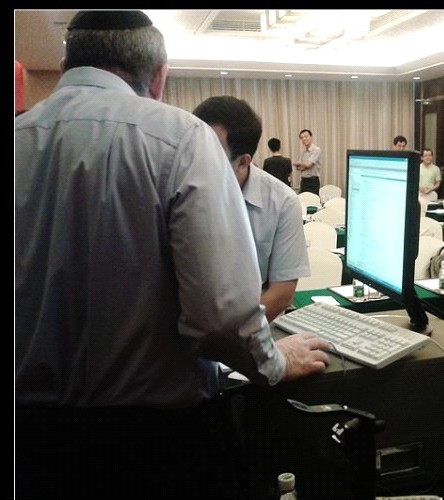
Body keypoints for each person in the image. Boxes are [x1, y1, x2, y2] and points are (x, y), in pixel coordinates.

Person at [15, 11, 329, 499]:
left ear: (65, 65)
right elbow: (219, 317)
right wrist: (273, 362)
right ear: (159, 76)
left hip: (30, 440)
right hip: (157, 441)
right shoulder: (180, 139)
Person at [193, 96, 309, 322]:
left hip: (253, 327)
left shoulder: (282, 202)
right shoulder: (176, 190)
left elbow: (282, 293)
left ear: (244, 162)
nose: (196, 163)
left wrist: (228, 334)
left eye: (210, 157)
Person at [293, 128, 322, 195]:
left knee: (313, 200)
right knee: (303, 199)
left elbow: (308, 164)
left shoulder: (316, 150)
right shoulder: (303, 152)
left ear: (311, 137)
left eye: (306, 136)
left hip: (313, 181)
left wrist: (302, 164)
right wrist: (305, 165)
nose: (304, 139)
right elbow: (298, 168)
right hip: (303, 180)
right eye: (302, 138)